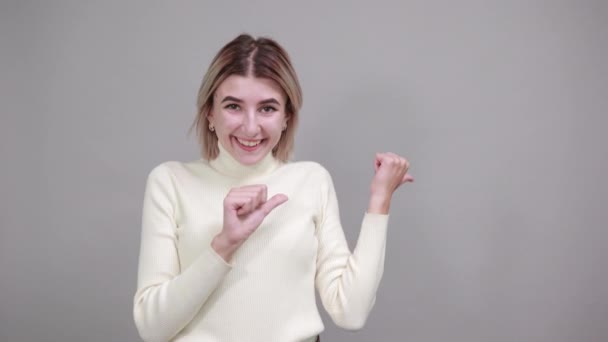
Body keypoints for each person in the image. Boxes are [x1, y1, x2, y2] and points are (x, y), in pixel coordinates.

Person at [133, 34, 413, 342]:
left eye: (267, 109)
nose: (251, 127)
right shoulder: (171, 182)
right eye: (233, 106)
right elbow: (152, 328)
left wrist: (379, 201)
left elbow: (351, 312)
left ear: (286, 117)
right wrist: (224, 244)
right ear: (210, 112)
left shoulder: (311, 181)